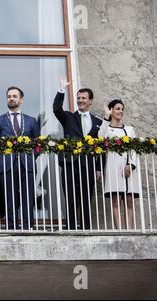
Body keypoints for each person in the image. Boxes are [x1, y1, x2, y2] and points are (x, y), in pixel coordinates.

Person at [53, 76, 102, 230]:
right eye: (78, 98)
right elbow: (56, 109)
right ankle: (72, 228)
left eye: (84, 98)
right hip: (69, 163)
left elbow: (100, 147)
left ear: (90, 101)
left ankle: (86, 228)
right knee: (71, 198)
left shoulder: (98, 122)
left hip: (87, 165)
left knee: (87, 198)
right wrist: (62, 89)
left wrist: (99, 167)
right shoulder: (68, 117)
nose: (80, 100)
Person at [0, 86, 39, 230]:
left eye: (14, 96)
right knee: (9, 198)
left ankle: (27, 227)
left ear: (21, 100)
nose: (11, 98)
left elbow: (38, 144)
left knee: (28, 197)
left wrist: (30, 157)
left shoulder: (31, 120)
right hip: (7, 165)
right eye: (9, 96)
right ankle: (11, 227)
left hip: (27, 165)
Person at [99, 99, 140, 229]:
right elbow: (100, 137)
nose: (120, 111)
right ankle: (120, 230)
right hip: (113, 168)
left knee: (129, 201)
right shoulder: (107, 129)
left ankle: (130, 230)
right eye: (117, 109)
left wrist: (131, 165)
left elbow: (134, 149)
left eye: (122, 109)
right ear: (111, 111)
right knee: (116, 200)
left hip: (128, 169)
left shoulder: (129, 129)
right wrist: (106, 117)